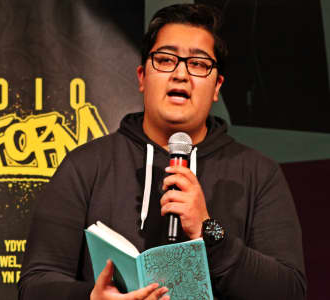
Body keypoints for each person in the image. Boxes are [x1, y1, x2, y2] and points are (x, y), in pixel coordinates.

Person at [18, 4, 306, 300]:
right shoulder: (85, 165)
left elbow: (290, 291)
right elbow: (35, 285)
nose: (181, 74)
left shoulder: (259, 172)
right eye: (166, 60)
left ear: (217, 85)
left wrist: (209, 232)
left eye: (198, 64)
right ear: (142, 77)